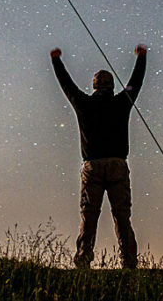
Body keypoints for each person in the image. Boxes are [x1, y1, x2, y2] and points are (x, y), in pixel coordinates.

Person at [50, 45, 147, 269]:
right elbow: (136, 82)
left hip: (92, 166)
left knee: (89, 217)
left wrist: (56, 61)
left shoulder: (83, 104)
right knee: (122, 217)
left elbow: (67, 85)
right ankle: (129, 263)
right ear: (112, 87)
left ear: (94, 86)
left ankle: (84, 260)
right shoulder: (122, 102)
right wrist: (141, 58)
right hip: (117, 165)